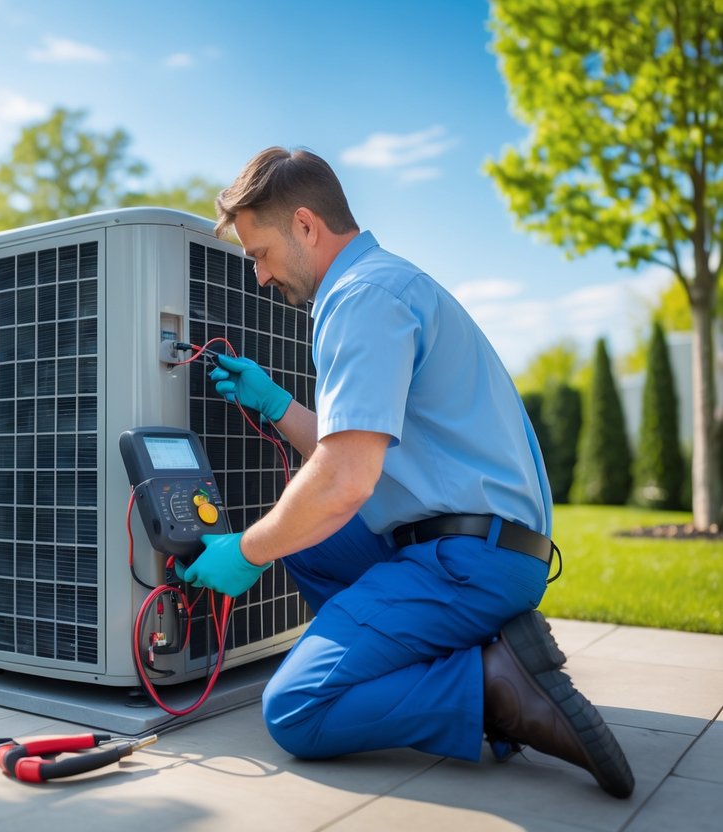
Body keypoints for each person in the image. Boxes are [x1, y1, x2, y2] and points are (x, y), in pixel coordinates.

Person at [177, 146, 634, 798]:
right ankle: (443, 658)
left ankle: (492, 685)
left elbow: (344, 482)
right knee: (307, 533)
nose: (258, 276)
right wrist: (274, 402)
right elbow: (351, 457)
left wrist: (245, 552)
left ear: (304, 225)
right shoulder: (389, 283)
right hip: (489, 548)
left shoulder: (359, 299)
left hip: (466, 560)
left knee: (296, 711)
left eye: (259, 253)